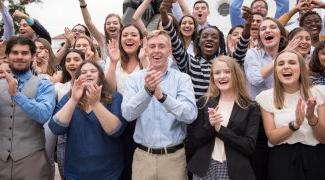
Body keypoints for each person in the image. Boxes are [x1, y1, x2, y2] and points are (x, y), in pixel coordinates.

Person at [121, 29, 197, 180]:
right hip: (143, 158)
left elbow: (190, 115)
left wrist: (162, 97)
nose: (157, 50)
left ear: (169, 50)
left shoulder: (182, 79)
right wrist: (147, 91)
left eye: (161, 46)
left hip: (174, 158)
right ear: (146, 50)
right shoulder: (133, 80)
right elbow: (128, 114)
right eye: (152, 46)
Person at [49, 60, 126, 179]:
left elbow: (115, 131)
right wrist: (74, 99)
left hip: (109, 173)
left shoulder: (114, 97)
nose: (88, 74)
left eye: (93, 71)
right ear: (77, 78)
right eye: (83, 72)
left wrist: (95, 104)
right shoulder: (68, 98)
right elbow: (56, 128)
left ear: (100, 76)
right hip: (76, 173)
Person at [187, 56, 260, 180]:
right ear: (213, 78)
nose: (222, 76)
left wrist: (220, 129)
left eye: (227, 71)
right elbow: (193, 141)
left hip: (234, 170)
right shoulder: (204, 103)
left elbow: (249, 146)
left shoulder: (251, 107)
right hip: (204, 168)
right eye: (217, 73)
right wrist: (210, 125)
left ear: (236, 75)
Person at [256, 50, 325, 180]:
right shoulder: (266, 97)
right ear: (276, 71)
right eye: (281, 63)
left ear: (301, 68)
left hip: (315, 158)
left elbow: (323, 138)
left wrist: (311, 118)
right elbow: (272, 138)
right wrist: (295, 124)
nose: (286, 66)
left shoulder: (320, 92)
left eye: (292, 62)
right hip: (282, 160)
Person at [0, 36, 56, 179]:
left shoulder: (44, 84)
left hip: (31, 159)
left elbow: (44, 115)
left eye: (24, 53)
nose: (19, 57)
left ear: (32, 57)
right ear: (7, 56)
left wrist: (17, 95)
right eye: (15, 52)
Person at [54, 49, 86, 179]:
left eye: (76, 59)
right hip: (65, 139)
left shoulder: (94, 85)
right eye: (68, 60)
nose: (72, 63)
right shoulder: (60, 88)